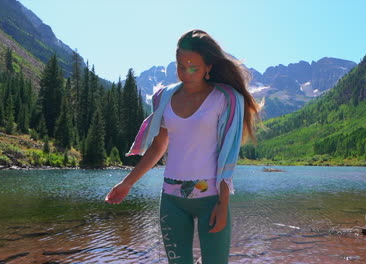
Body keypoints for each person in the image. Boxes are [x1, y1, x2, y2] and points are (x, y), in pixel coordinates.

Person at [105, 29, 261, 264]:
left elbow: (228, 154)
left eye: (193, 68)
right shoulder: (164, 97)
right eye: (180, 66)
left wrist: (223, 202)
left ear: (208, 66)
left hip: (212, 199)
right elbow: (159, 146)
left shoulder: (227, 98)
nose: (186, 73)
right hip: (171, 199)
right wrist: (128, 183)